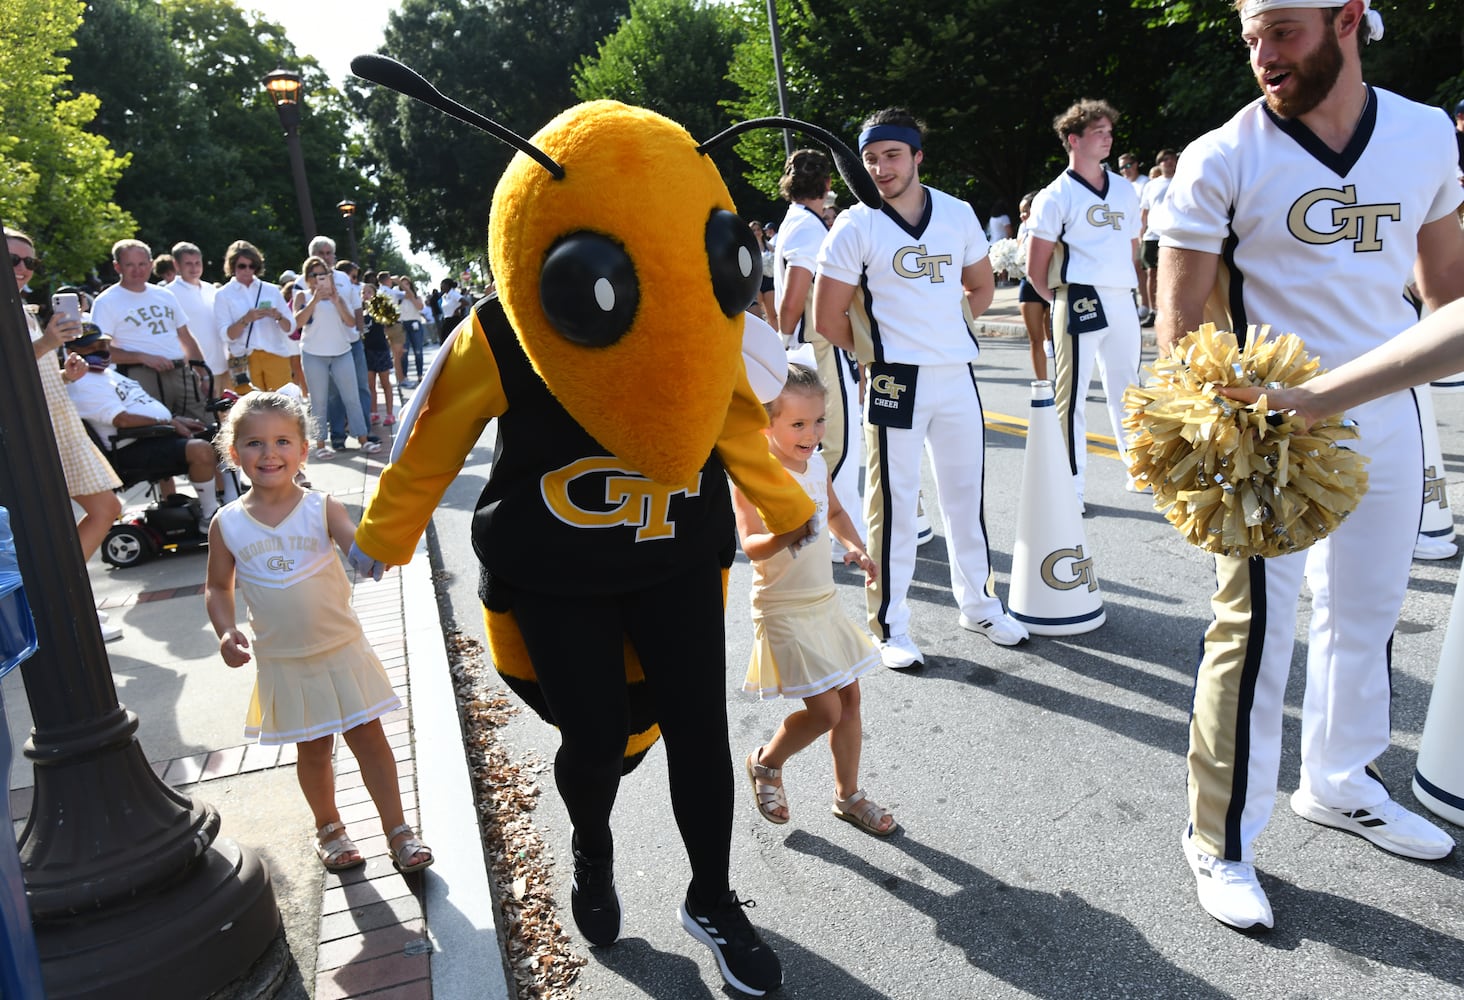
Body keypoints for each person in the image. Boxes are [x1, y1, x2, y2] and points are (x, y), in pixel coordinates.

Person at [1155, 0, 1464, 932]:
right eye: (1250, 36)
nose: (1262, 56)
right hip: (1262, 430)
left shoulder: (1420, 135)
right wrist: (1211, 438)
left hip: (1385, 412)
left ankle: (1339, 781)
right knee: (1253, 637)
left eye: (1282, 31)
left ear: (1347, 20)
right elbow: (1179, 334)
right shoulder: (1223, 154)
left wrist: (1340, 396)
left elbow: (1452, 308)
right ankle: (1219, 838)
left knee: (1367, 615)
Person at [813, 107, 1029, 670]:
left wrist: (946, 331)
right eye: (870, 159)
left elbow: (980, 286)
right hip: (893, 379)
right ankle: (890, 623)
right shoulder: (855, 224)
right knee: (894, 505)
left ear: (916, 157)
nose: (881, 168)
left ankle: (979, 604)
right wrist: (876, 357)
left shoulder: (956, 213)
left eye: (891, 155)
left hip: (956, 373)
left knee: (966, 498)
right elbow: (826, 314)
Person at [204, 391, 431, 875]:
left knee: (370, 739)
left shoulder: (321, 507)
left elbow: (361, 550)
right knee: (313, 750)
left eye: (283, 441)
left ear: (304, 450)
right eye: (254, 443)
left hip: (342, 650)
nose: (269, 453)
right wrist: (225, 631)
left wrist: (378, 549)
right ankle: (329, 828)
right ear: (232, 453)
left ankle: (399, 831)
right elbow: (218, 588)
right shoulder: (226, 524)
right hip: (284, 661)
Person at [736, 364, 894, 837]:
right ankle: (766, 762)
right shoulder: (757, 473)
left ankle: (848, 796)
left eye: (819, 420)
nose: (812, 433)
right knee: (825, 711)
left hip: (822, 601)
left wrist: (854, 546)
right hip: (781, 607)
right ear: (767, 423)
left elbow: (837, 511)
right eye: (799, 424)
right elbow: (751, 544)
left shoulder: (818, 463)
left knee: (850, 700)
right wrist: (789, 532)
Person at [7, 227, 123, 640]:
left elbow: (26, 375)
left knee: (103, 510)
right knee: (88, 514)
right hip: (30, 436)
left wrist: (63, 374)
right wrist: (47, 343)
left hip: (56, 425)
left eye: (29, 262)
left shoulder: (22, 309)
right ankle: (60, 603)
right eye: (14, 259)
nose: (23, 268)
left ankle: (61, 599)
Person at [1027, 99, 1144, 505]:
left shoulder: (1126, 189)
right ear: (1073, 139)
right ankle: (1070, 486)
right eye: (1099, 132)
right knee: (1072, 395)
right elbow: (1035, 267)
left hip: (1121, 298)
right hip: (1078, 297)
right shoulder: (1055, 195)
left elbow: (1131, 249)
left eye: (1110, 133)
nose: (1108, 139)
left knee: (1129, 387)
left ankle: (1141, 469)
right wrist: (1061, 302)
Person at [773, 148, 863, 560]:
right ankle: (835, 530)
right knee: (837, 443)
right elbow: (794, 295)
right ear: (827, 185)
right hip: (816, 346)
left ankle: (824, 523)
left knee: (818, 440)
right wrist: (786, 339)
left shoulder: (797, 222)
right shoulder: (808, 229)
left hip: (806, 341)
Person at [66, 339, 222, 525]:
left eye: (102, 345)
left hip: (152, 434)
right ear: (71, 352)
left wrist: (175, 419)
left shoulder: (109, 374)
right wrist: (170, 423)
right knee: (200, 450)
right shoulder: (83, 383)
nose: (100, 351)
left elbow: (141, 406)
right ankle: (211, 516)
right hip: (129, 447)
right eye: (91, 347)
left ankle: (230, 500)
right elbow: (121, 419)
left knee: (218, 436)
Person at [90, 239, 210, 423]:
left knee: (203, 426)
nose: (137, 270)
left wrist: (204, 375)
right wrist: (141, 357)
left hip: (180, 373)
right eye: (129, 264)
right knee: (158, 431)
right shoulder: (106, 301)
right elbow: (99, 351)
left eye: (142, 264)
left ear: (151, 264)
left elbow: (185, 337)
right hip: (140, 376)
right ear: (117, 267)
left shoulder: (165, 295)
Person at [293, 256, 380, 459]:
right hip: (313, 354)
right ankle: (321, 443)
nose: (319, 279)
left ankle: (363, 440)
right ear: (307, 278)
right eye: (315, 275)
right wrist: (315, 299)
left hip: (341, 351)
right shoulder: (302, 296)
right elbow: (297, 322)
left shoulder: (338, 296)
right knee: (319, 400)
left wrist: (336, 300)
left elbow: (351, 322)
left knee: (352, 397)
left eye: (323, 275)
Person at [307, 237, 375, 452]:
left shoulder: (344, 278)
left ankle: (364, 433)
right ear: (314, 256)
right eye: (323, 253)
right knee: (332, 395)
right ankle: (337, 436)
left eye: (330, 253)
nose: (327, 257)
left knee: (359, 389)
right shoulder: (305, 281)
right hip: (319, 348)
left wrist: (359, 331)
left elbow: (356, 307)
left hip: (350, 342)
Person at [213, 240, 296, 394]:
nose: (248, 270)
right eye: (242, 266)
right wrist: (245, 319)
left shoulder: (271, 290)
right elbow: (226, 335)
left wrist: (277, 316)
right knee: (251, 411)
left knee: (284, 406)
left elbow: (290, 327)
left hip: (275, 354)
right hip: (243, 359)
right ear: (232, 266)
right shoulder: (223, 294)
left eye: (252, 266)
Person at [166, 242, 225, 383]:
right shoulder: (168, 294)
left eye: (197, 263)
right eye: (188, 264)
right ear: (176, 265)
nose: (194, 268)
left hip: (223, 367)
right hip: (194, 372)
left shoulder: (211, 289)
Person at [1137, 149, 1177, 330]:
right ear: (1159, 163)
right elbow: (1144, 211)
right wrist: (1141, 233)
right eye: (1164, 160)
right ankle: (1154, 311)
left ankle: (1173, 309)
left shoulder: (1182, 180)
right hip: (1152, 235)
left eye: (1171, 160)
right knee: (1151, 273)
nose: (1168, 163)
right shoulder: (1152, 185)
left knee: (1174, 274)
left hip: (1173, 234)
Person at [1015, 191, 1051, 380]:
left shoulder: (1053, 224)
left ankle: (1067, 384)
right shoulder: (1022, 228)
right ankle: (1043, 384)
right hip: (1028, 284)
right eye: (1020, 212)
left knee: (1056, 341)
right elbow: (1019, 254)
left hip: (1052, 285)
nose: (1022, 216)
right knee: (1035, 339)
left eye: (1026, 211)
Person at [1117, 153, 1150, 319]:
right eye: (1122, 167)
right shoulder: (1120, 184)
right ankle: (1130, 304)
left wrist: (1141, 233)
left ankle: (1145, 304)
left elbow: (1145, 211)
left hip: (1139, 232)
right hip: (1121, 233)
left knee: (1138, 269)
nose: (1125, 170)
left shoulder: (1144, 183)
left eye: (1128, 166)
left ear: (1136, 164)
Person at [360, 284, 395, 426]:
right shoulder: (359, 312)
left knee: (385, 383)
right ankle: (374, 413)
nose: (366, 294)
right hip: (367, 351)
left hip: (381, 350)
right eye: (363, 292)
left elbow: (390, 323)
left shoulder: (380, 311)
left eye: (369, 292)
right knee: (370, 385)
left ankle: (390, 414)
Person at [397, 277, 427, 386]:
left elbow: (420, 307)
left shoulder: (416, 297)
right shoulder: (398, 298)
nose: (405, 287)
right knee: (404, 352)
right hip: (403, 325)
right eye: (402, 285)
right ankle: (404, 376)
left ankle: (420, 375)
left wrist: (411, 297)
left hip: (415, 324)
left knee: (418, 351)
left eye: (407, 284)